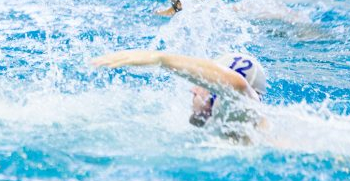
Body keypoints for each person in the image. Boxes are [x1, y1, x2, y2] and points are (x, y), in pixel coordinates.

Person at [92, 49, 267, 140]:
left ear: (220, 95)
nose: (193, 89)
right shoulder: (230, 133)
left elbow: (237, 85)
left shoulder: (243, 118)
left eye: (202, 83)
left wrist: (159, 59)